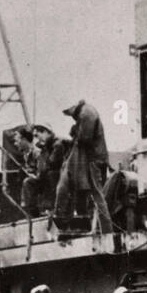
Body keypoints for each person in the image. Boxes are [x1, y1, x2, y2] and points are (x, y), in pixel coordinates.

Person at [54, 100, 112, 234]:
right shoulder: (88, 112)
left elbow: (85, 138)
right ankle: (99, 228)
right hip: (95, 159)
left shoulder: (86, 114)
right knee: (96, 196)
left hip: (94, 160)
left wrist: (75, 132)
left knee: (98, 196)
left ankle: (106, 230)